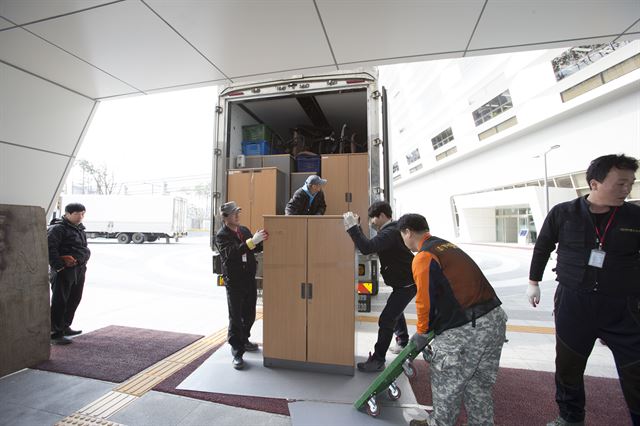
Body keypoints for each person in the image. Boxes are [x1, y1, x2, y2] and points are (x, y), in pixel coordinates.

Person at [527, 154, 640, 426]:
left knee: (636, 370)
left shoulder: (636, 216)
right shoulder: (563, 213)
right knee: (568, 368)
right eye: (621, 183)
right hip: (573, 304)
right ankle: (570, 418)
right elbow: (543, 247)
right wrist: (533, 282)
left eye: (631, 184)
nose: (627, 190)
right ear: (595, 183)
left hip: (623, 306)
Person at [397, 213, 507, 426]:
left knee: (446, 383)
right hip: (494, 320)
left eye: (402, 235)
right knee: (479, 385)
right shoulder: (446, 246)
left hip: (465, 328)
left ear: (408, 232)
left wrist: (421, 332)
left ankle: (438, 424)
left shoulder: (423, 256)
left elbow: (424, 300)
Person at [342, 201, 416, 372]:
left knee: (386, 319)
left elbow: (367, 247)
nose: (372, 223)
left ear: (382, 216)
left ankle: (378, 360)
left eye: (373, 219)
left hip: (406, 284)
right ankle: (403, 340)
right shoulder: (395, 228)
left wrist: (353, 228)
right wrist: (359, 229)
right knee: (395, 310)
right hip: (405, 282)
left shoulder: (389, 233)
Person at [215, 201, 268, 370]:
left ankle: (244, 339)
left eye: (238, 212)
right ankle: (237, 351)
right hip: (234, 281)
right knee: (236, 317)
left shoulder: (243, 230)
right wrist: (252, 242)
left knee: (250, 313)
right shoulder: (222, 236)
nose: (237, 216)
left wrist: (261, 239)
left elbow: (253, 248)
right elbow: (233, 253)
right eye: (233, 213)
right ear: (225, 218)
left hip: (248, 278)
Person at [47, 203, 91, 345]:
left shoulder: (79, 229)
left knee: (74, 298)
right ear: (68, 214)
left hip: (78, 269)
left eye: (83, 213)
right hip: (64, 271)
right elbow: (49, 248)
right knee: (60, 301)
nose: (81, 216)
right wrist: (59, 267)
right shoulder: (57, 228)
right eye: (77, 213)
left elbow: (84, 248)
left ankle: (65, 327)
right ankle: (54, 333)